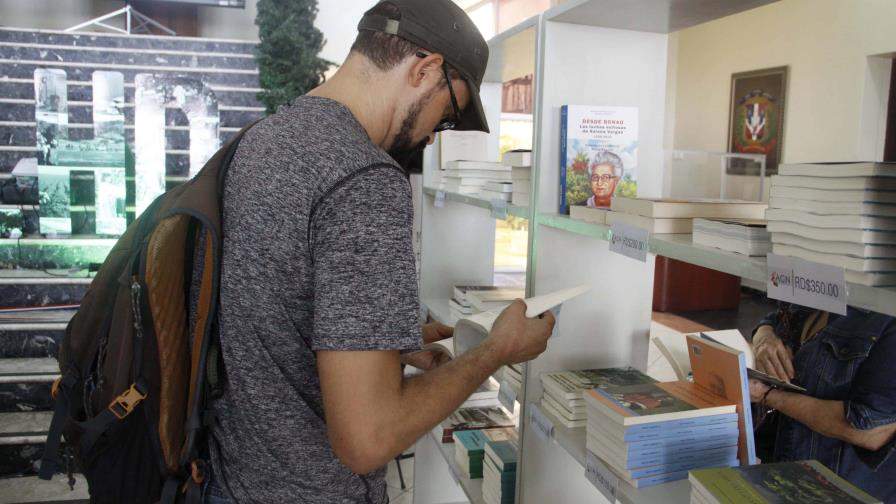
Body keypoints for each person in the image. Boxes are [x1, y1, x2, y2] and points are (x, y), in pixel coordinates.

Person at [203, 1, 556, 503]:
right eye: (451, 113)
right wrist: (494, 351)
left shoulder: (262, 140)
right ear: (425, 68)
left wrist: (384, 341)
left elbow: (268, 312)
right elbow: (367, 439)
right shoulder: (364, 180)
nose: (436, 133)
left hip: (233, 477)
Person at [749, 303, 896, 502]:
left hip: (836, 488)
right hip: (782, 472)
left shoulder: (886, 317)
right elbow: (776, 318)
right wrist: (764, 334)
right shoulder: (823, 293)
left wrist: (769, 395)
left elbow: (871, 432)